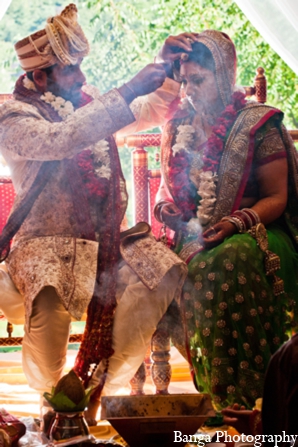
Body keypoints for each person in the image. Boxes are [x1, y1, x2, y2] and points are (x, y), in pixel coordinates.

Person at [0, 4, 195, 423]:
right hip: (43, 245)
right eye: (72, 71)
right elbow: (59, 140)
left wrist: (164, 65)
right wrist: (124, 91)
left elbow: (152, 107)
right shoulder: (12, 116)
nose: (83, 79)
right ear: (39, 76)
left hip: (107, 243)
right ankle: (52, 400)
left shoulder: (87, 106)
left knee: (161, 271)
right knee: (51, 293)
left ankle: (96, 386)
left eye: (82, 68)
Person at [154, 29, 298, 411]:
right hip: (194, 235)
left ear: (223, 77)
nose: (188, 91)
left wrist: (237, 222)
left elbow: (277, 196)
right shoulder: (176, 126)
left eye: (197, 81)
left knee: (226, 262)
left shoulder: (257, 123)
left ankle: (252, 401)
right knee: (156, 268)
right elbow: (166, 190)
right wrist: (164, 208)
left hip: (258, 231)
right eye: (184, 81)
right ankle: (219, 396)